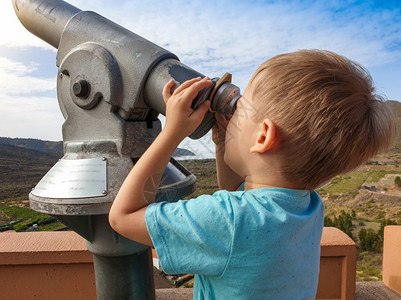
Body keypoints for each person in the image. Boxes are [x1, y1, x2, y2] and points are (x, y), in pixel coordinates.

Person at [109, 50, 395, 299]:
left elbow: (123, 216)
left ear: (263, 136)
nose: (232, 114)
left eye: (240, 107)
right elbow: (236, 191)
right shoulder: (308, 206)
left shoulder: (228, 221)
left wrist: (172, 133)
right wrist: (224, 142)